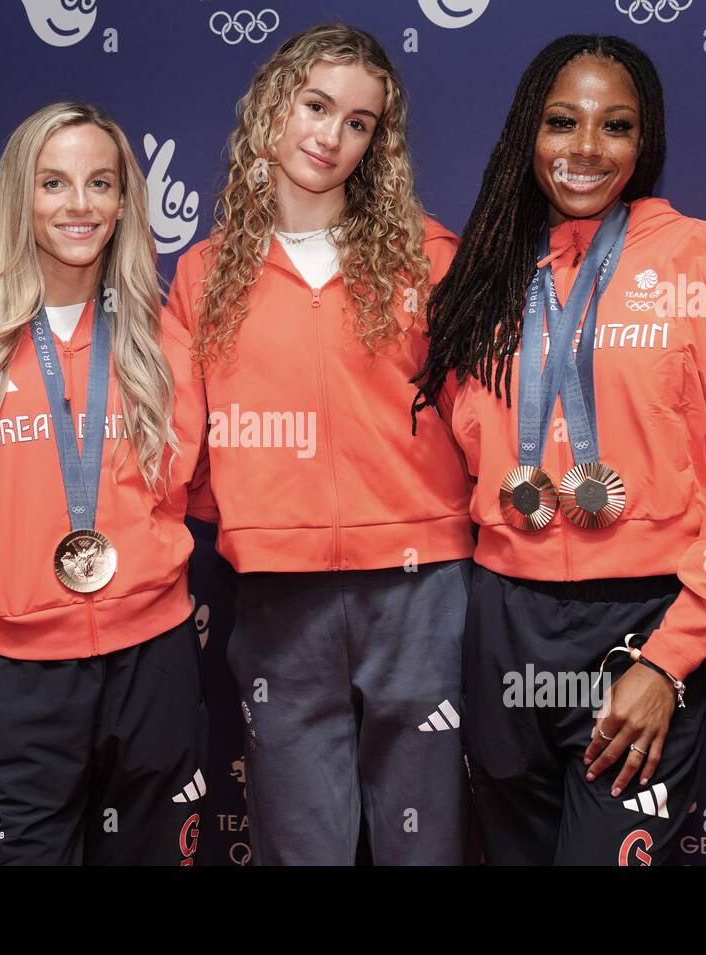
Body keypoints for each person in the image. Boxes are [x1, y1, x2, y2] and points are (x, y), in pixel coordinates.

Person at [412, 34, 706, 865]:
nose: (586, 149)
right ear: (528, 132)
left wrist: (668, 662)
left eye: (615, 126)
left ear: (645, 139)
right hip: (503, 622)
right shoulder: (481, 273)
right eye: (562, 122)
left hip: (645, 622)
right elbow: (450, 440)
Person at [167, 23, 475, 865]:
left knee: (428, 844)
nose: (331, 136)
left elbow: (481, 414)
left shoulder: (428, 258)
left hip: (420, 588)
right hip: (278, 596)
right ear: (272, 107)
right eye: (315, 106)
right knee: (301, 847)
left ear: (378, 143)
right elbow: (181, 446)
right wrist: (259, 513)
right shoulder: (205, 273)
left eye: (359, 122)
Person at [0, 102, 208, 866]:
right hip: (13, 680)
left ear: (125, 201)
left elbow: (200, 491)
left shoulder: (161, 334)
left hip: (153, 665)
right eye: (53, 183)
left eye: (100, 183)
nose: (79, 205)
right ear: (18, 196)